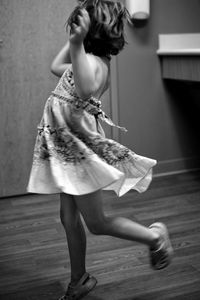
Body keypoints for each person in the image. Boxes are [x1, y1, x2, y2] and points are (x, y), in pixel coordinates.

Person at [27, 1, 173, 299]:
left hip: (78, 153)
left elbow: (83, 89)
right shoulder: (86, 58)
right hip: (68, 150)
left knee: (97, 222)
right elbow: (56, 68)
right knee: (68, 219)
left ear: (92, 33)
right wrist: (74, 43)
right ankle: (79, 280)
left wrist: (77, 44)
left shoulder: (94, 65)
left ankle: (154, 236)